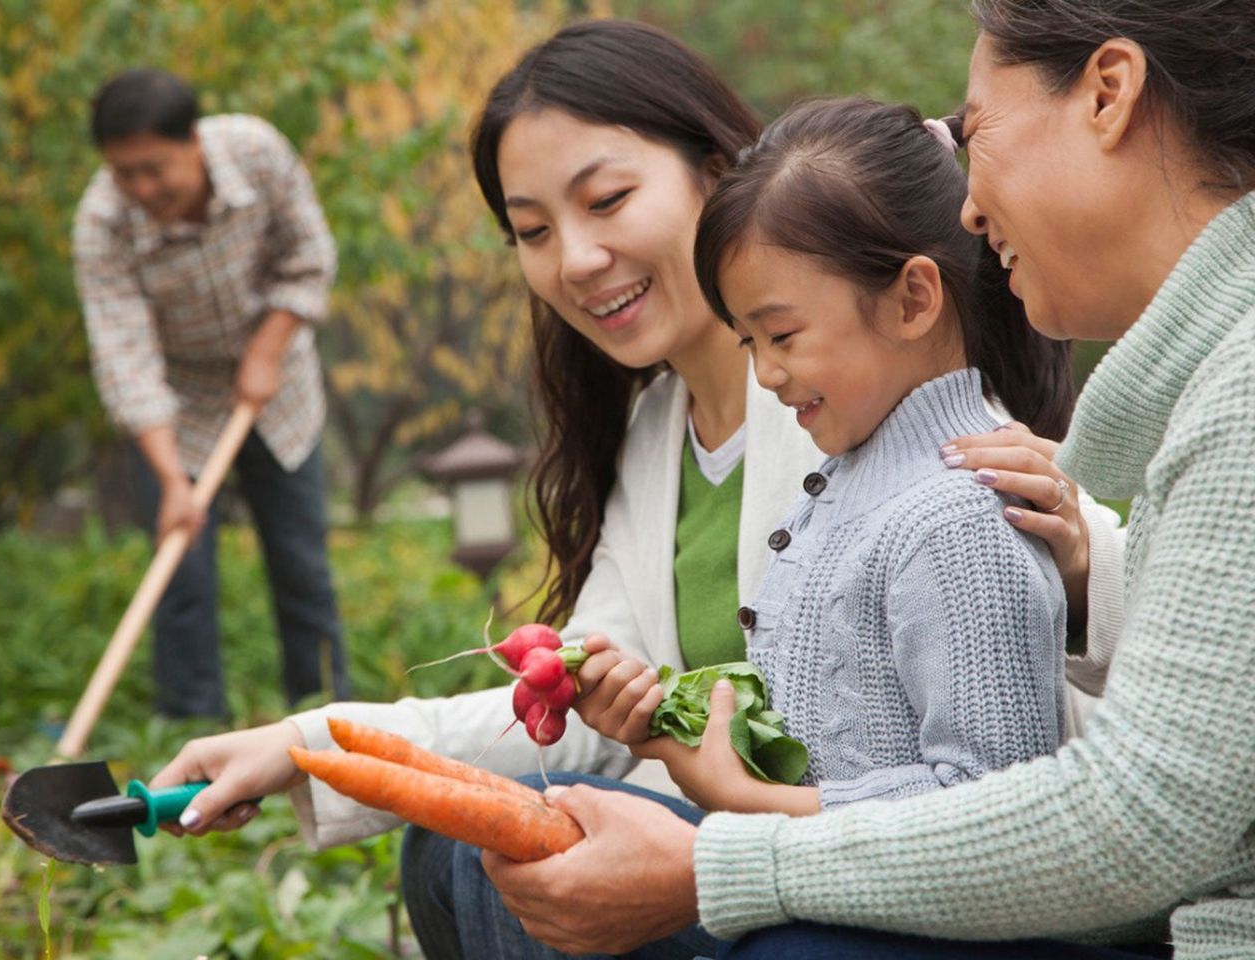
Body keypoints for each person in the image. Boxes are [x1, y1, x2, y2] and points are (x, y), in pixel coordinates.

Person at [151, 18, 1120, 960]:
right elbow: (566, 699)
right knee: (460, 848)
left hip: (913, 887)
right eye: (531, 231)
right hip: (781, 858)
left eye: (606, 200)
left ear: (718, 171)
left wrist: (1080, 554)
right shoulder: (660, 431)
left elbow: (1037, 706)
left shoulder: (849, 392)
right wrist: (312, 742)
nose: (573, 259)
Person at [482, 2, 1255, 958]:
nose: (970, 206)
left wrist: (732, 850)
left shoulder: (1224, 398)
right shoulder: (1203, 390)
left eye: (976, 132)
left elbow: (1130, 812)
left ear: (1109, 94)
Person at [589, 95, 1074, 821]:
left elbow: (998, 804)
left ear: (912, 299)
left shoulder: (956, 517)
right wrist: (671, 726)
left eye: (781, 335)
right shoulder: (844, 489)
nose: (765, 374)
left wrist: (762, 805)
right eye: (747, 342)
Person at [74, 68, 349, 717]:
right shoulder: (102, 224)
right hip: (179, 405)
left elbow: (309, 255)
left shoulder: (258, 153)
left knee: (301, 563)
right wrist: (172, 479)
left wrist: (267, 347)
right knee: (180, 576)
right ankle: (189, 731)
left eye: (154, 168)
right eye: (123, 172)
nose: (141, 188)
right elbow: (125, 356)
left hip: (276, 384)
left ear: (193, 140)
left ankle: (326, 719)